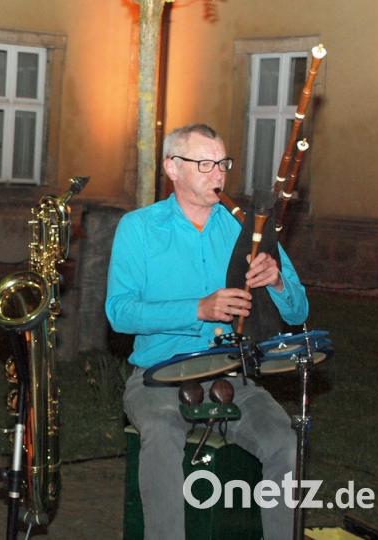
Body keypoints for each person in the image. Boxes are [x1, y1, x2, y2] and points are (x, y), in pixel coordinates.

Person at [105, 124, 309, 539]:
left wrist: (277, 282)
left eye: (222, 163)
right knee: (161, 435)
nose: (218, 174)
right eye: (205, 163)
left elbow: (299, 309)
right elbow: (120, 314)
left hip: (234, 376)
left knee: (285, 443)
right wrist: (198, 309)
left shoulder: (246, 227)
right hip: (157, 375)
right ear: (172, 168)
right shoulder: (139, 227)